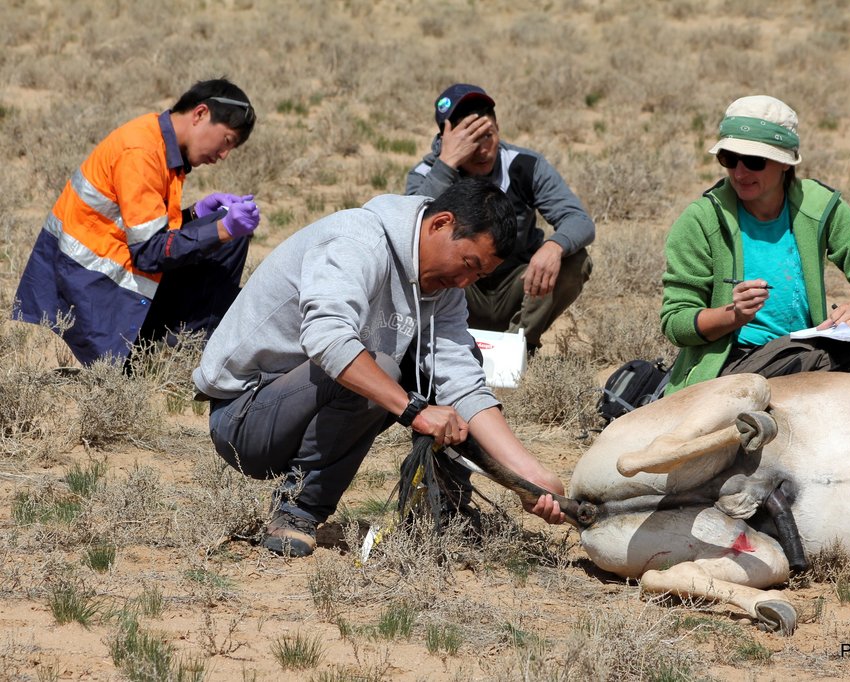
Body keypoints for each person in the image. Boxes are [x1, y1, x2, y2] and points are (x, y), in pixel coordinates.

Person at [192, 179, 566, 557]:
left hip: (302, 404)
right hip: (244, 418)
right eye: (468, 264)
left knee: (445, 365)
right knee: (382, 368)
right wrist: (414, 410)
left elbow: (463, 382)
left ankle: (446, 508)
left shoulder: (444, 290)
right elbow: (328, 339)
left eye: (479, 276)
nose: (465, 282)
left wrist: (528, 476)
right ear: (441, 224)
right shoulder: (357, 239)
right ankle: (296, 509)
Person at [660, 95, 850, 394]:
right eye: (728, 159)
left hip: (801, 351)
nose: (739, 172)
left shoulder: (818, 207)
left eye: (753, 161)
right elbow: (676, 323)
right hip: (728, 365)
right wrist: (734, 315)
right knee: (834, 360)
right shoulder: (701, 220)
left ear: (785, 163)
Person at [12, 78, 260, 367]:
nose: (222, 156)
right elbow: (149, 252)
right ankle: (181, 354)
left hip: (108, 283)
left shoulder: (159, 143)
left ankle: (187, 342)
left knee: (225, 242)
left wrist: (196, 216)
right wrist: (221, 230)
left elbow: (145, 231)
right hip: (92, 301)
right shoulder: (141, 151)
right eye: (227, 141)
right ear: (201, 114)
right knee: (224, 236)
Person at [406, 83, 594, 354]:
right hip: (459, 291)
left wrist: (554, 247)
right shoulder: (427, 173)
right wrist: (446, 164)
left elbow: (579, 221)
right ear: (447, 138)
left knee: (574, 258)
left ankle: (518, 347)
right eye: (471, 139)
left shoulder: (525, 165)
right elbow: (410, 229)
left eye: (488, 135)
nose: (483, 149)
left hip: (517, 287)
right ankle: (444, 346)